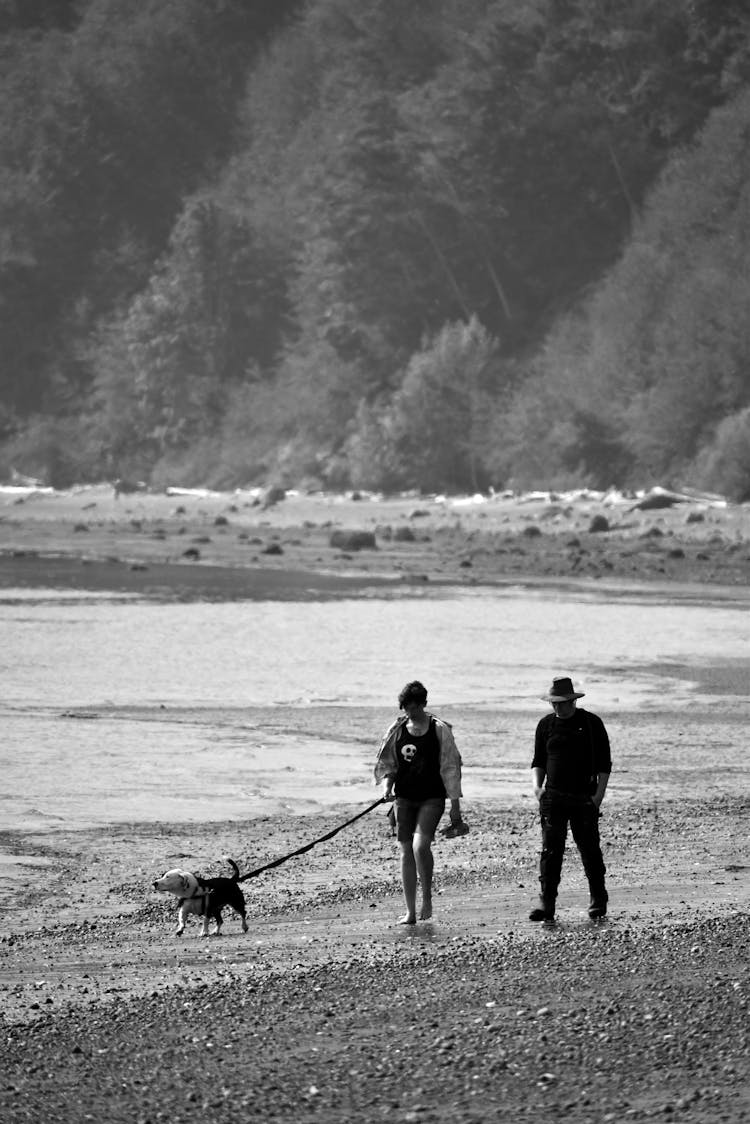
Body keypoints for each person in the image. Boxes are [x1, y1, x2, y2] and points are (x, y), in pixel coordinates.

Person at [374, 680, 465, 924]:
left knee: (419, 846)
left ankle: (427, 899)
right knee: (405, 852)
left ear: (423, 704)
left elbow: (450, 767)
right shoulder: (397, 730)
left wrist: (455, 808)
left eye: (413, 708)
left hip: (432, 798)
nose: (408, 713)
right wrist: (387, 788)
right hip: (404, 799)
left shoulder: (439, 730)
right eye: (405, 707)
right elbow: (389, 765)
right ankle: (410, 912)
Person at [529, 676, 611, 922]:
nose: (558, 707)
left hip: (584, 797)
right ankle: (547, 904)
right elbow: (538, 761)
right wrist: (536, 788)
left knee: (589, 850)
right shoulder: (545, 725)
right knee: (550, 852)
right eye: (554, 703)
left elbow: (604, 764)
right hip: (552, 797)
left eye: (562, 702)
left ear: (572, 700)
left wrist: (598, 797)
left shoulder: (591, 723)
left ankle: (598, 899)